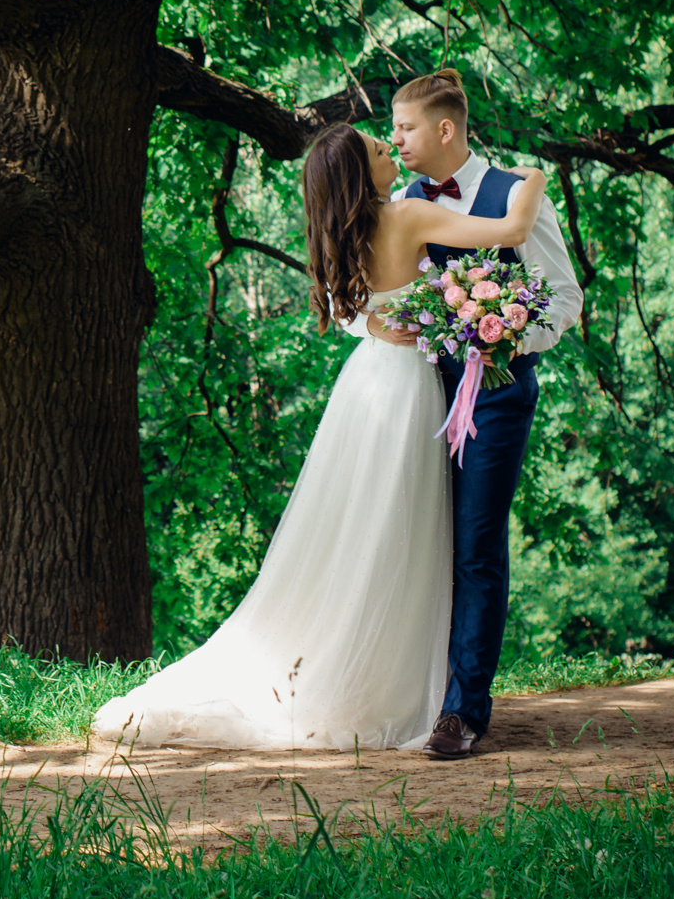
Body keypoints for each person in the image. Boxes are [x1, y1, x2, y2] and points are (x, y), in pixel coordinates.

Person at [90, 117, 547, 751]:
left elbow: (346, 310)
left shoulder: (345, 232)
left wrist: (373, 325)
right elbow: (510, 231)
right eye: (382, 150)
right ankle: (389, 681)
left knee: (360, 526)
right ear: (364, 174)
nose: (393, 152)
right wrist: (533, 179)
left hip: (364, 389)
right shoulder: (409, 217)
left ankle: (367, 666)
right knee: (403, 530)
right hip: (410, 391)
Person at [382, 68, 583, 759]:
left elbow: (563, 298)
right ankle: (408, 693)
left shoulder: (514, 195)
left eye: (405, 127)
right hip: (412, 396)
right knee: (413, 543)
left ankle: (462, 712)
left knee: (474, 545)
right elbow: (369, 297)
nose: (396, 139)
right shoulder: (402, 199)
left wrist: (493, 334)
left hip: (494, 395)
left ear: (445, 129)